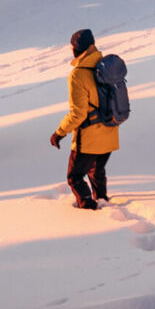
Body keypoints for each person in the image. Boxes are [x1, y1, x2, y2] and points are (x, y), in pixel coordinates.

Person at [50, 27, 116, 209]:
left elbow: (77, 113)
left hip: (88, 137)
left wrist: (59, 133)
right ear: (93, 45)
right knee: (97, 170)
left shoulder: (78, 75)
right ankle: (102, 199)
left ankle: (88, 209)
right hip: (110, 130)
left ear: (74, 50)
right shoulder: (105, 66)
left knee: (75, 177)